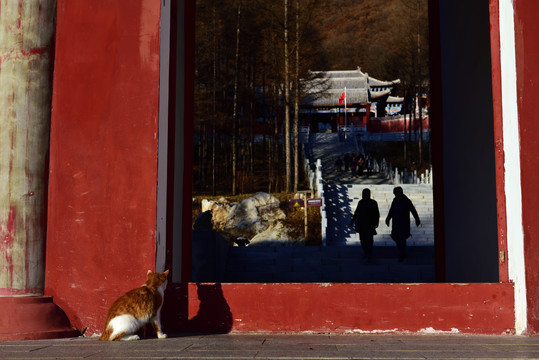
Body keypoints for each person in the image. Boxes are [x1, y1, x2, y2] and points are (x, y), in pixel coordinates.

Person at [385, 186, 421, 261]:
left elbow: (413, 210)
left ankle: (402, 253)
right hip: (396, 223)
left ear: (400, 193)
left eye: (397, 193)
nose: (396, 195)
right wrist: (388, 219)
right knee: (395, 237)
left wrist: (417, 219)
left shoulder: (406, 201)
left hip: (404, 223)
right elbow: (391, 210)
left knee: (402, 238)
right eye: (395, 194)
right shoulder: (395, 200)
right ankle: (402, 251)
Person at [349, 188, 380, 261]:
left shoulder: (373, 203)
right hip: (362, 225)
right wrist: (352, 221)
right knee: (362, 240)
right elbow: (356, 213)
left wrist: (376, 222)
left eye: (367, 194)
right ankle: (365, 252)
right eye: (364, 194)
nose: (366, 196)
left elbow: (376, 213)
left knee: (369, 240)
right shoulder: (361, 202)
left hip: (370, 225)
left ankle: (369, 253)